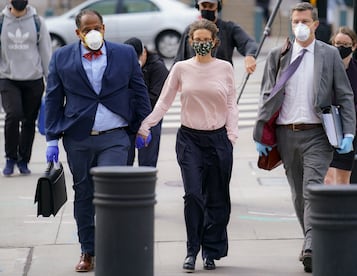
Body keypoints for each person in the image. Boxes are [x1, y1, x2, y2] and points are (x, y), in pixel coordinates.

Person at [44, 10, 151, 272]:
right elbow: (53, 99)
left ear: (103, 28)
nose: (93, 32)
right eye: (87, 29)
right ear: (78, 33)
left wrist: (143, 127)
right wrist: (51, 139)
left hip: (115, 136)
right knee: (84, 194)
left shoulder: (125, 54)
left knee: (112, 192)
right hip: (78, 138)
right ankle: (88, 250)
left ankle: (114, 248)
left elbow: (138, 90)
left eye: (97, 27)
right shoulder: (61, 57)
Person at [253, 2, 356, 273]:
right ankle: (311, 239)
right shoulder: (278, 55)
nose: (300, 25)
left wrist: (347, 132)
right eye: (295, 21)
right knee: (298, 195)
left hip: (317, 134)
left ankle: (311, 245)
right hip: (286, 135)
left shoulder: (329, 54)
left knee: (312, 189)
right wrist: (260, 133)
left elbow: (344, 95)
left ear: (315, 24)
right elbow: (267, 96)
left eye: (305, 21)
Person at [138, 19, 238, 272]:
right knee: (193, 195)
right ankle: (192, 250)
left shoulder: (225, 68)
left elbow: (230, 104)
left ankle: (211, 251)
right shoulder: (181, 68)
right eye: (197, 40)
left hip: (218, 140)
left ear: (214, 42)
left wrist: (231, 135)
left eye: (206, 40)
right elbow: (164, 101)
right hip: (190, 139)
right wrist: (147, 124)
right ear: (190, 42)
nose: (201, 44)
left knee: (218, 199)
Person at [0, 0, 51, 176]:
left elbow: (45, 52)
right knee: (13, 115)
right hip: (8, 78)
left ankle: (23, 160)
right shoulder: (2, 21)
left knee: (29, 122)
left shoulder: (37, 22)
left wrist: (50, 80)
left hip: (34, 79)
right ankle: (10, 158)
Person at [324, 26, 357, 185]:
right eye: (337, 43)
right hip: (325, 128)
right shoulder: (325, 68)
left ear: (354, 46)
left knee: (343, 179)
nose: (341, 48)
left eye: (346, 45)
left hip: (349, 131)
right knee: (327, 178)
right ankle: (325, 209)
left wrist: (347, 111)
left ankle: (340, 208)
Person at [174, 0, 258, 75]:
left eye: (211, 6)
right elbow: (179, 59)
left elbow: (248, 43)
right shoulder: (189, 30)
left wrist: (250, 56)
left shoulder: (229, 28)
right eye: (204, 6)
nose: (207, 9)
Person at [124, 37, 169, 167]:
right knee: (125, 159)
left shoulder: (158, 68)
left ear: (144, 52)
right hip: (129, 117)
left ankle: (145, 184)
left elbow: (155, 98)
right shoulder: (123, 64)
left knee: (147, 161)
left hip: (151, 117)